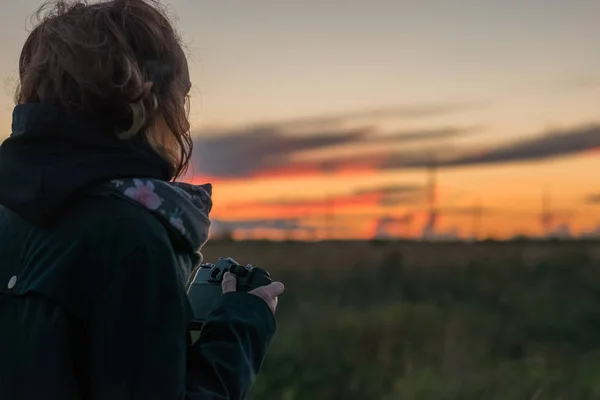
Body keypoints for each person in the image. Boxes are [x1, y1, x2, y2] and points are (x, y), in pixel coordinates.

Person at [0, 0, 285, 399]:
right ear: (144, 101)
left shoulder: (7, 214)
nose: (183, 121)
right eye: (180, 98)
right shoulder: (130, 239)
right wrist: (242, 328)